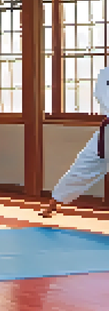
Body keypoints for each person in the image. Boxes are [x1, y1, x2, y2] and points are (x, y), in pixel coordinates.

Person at [40, 67, 109, 218]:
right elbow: (100, 97)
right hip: (106, 131)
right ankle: (55, 201)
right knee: (83, 165)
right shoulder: (105, 73)